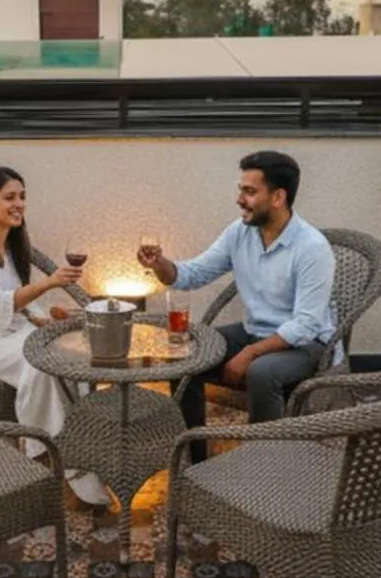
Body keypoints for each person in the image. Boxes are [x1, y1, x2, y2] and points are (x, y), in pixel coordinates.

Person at [138, 150, 336, 449]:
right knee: (187, 354)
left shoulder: (312, 248)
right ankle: (193, 456)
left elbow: (306, 325)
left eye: (250, 191)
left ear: (278, 197)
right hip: (255, 331)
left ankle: (262, 462)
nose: (239, 199)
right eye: (241, 190)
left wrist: (249, 354)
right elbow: (193, 274)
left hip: (305, 345)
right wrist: (160, 264)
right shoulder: (240, 232)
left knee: (262, 372)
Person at [0, 166, 112, 508]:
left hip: (10, 330)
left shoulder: (9, 248)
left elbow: (14, 301)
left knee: (68, 355)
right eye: (10, 197)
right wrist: (49, 282)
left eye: (22, 196)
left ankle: (75, 445)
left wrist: (41, 315)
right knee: (39, 365)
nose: (19, 204)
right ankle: (52, 458)